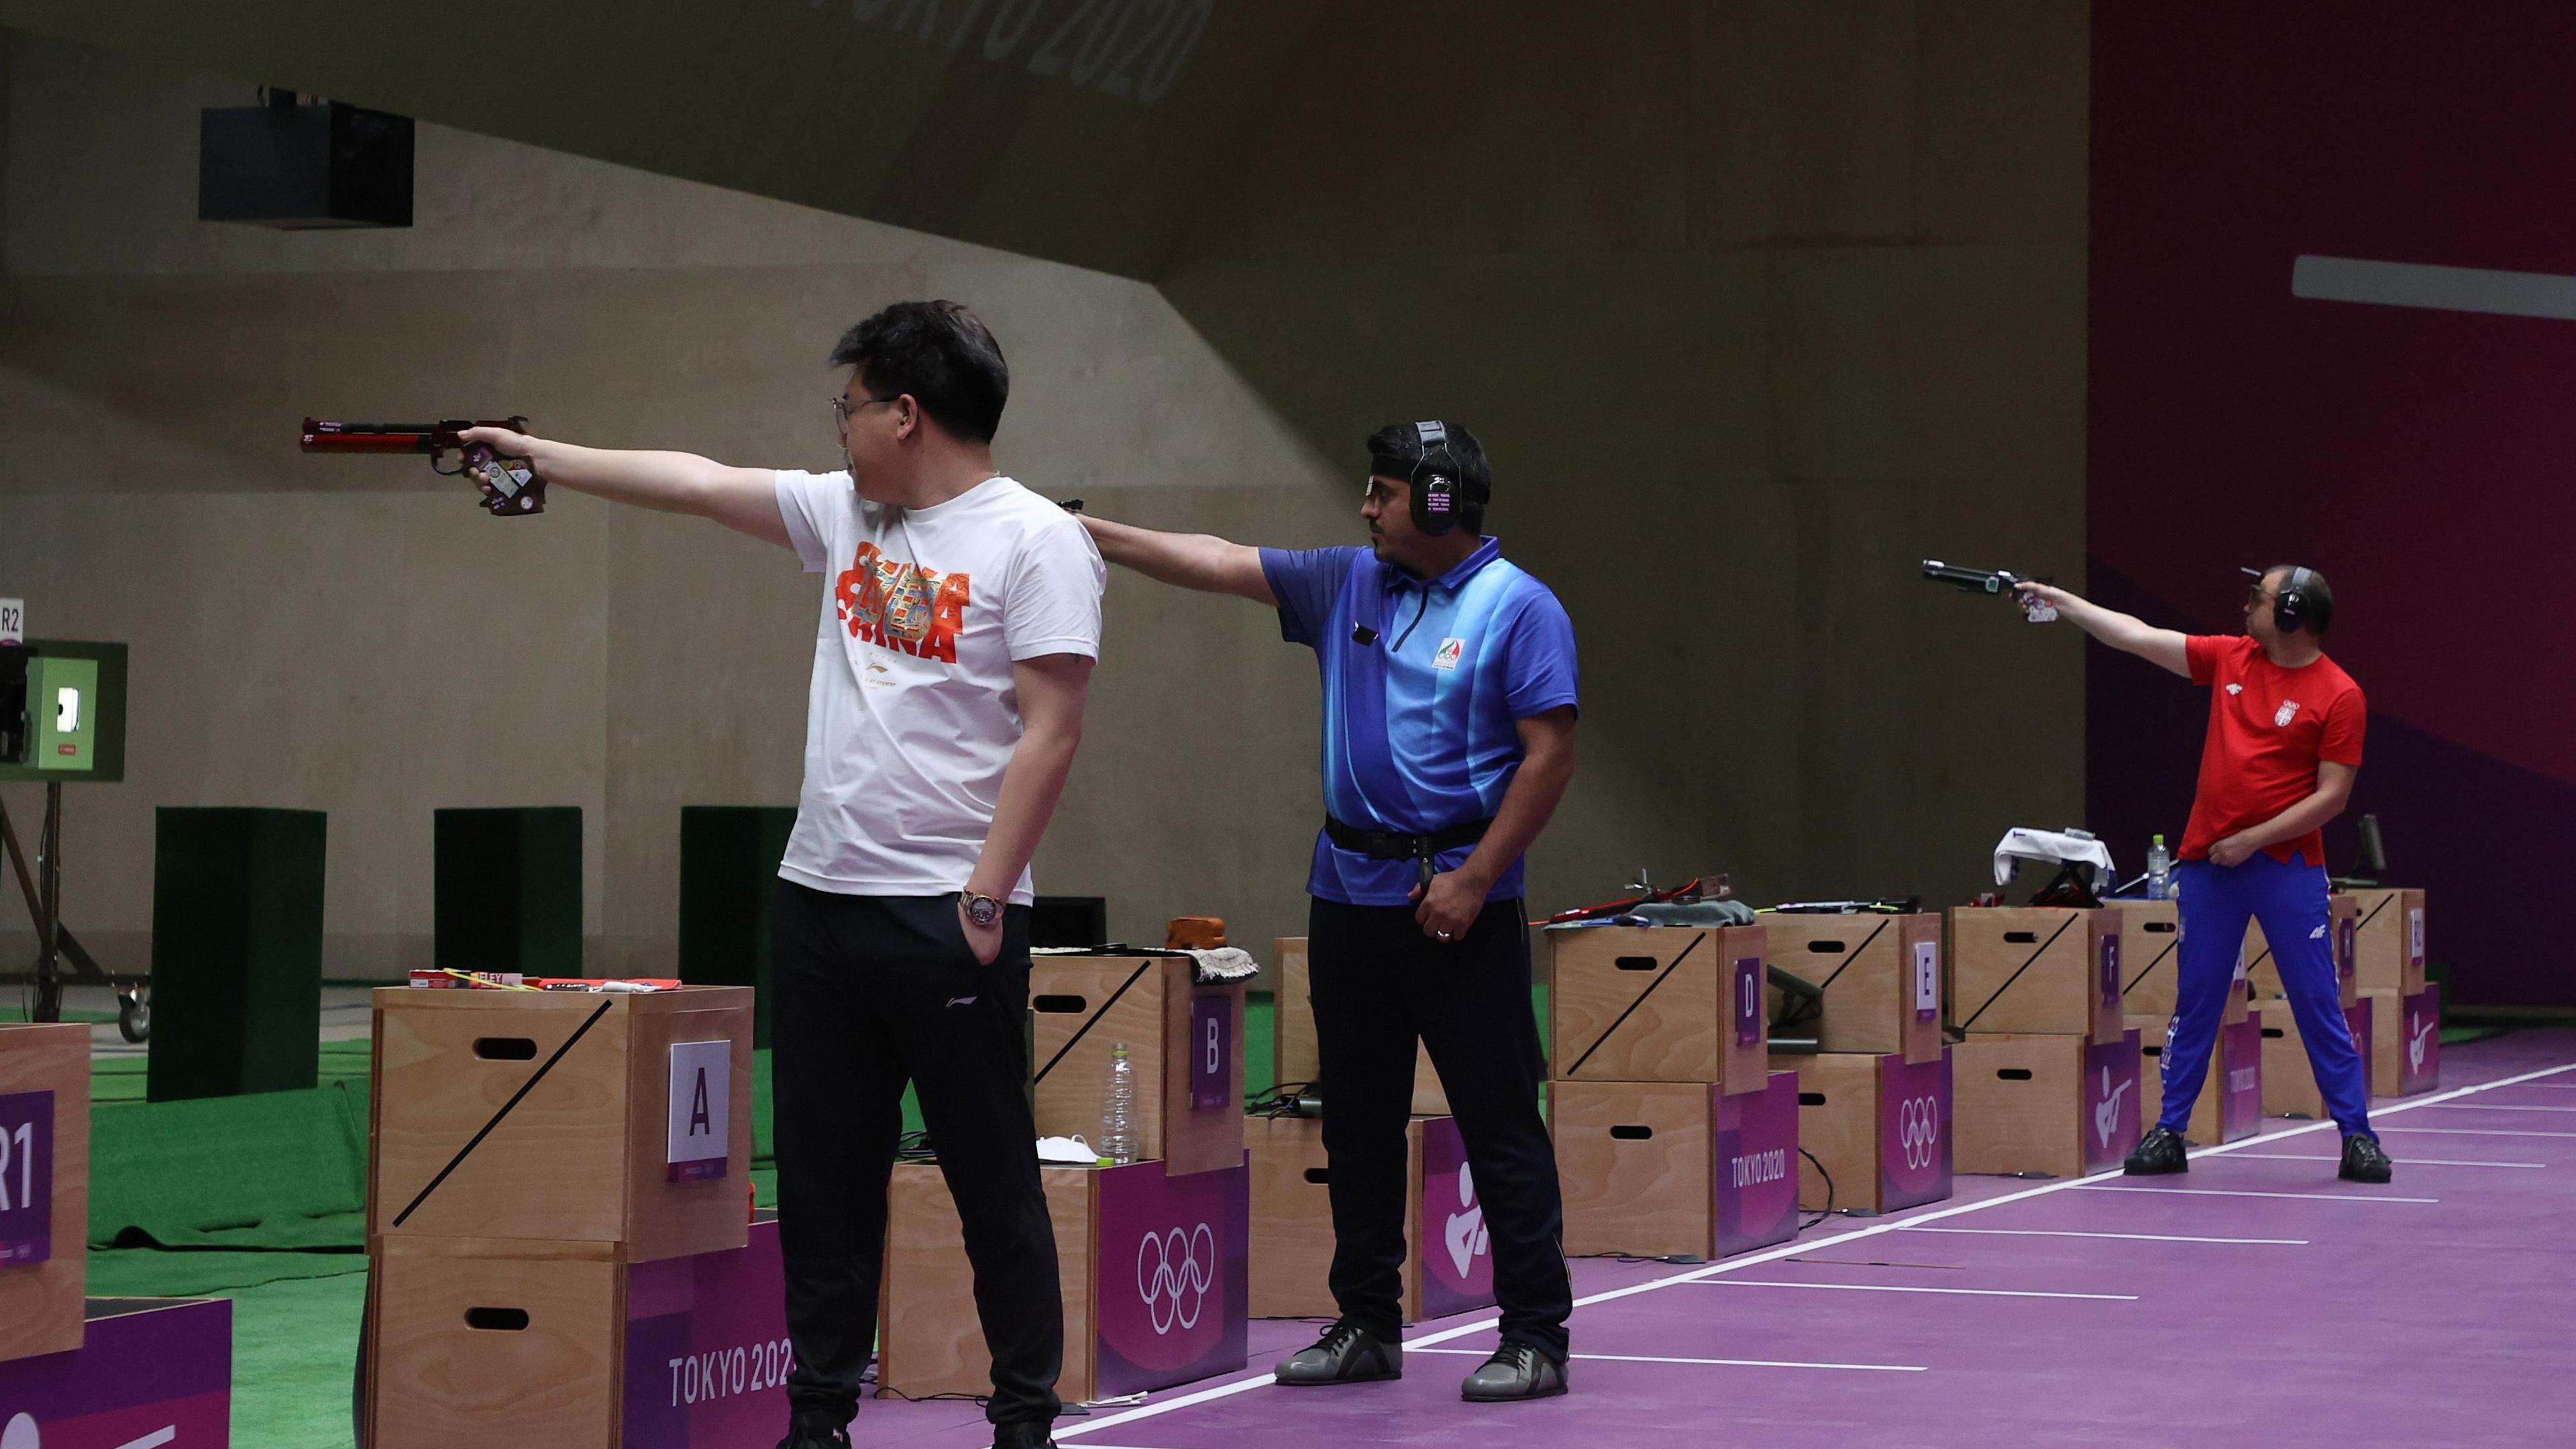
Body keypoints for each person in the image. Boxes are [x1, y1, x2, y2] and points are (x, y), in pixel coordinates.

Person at [459, 301, 1104, 1449]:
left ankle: (1022, 1421)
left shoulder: (1034, 541)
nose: (840, 431)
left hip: (950, 915)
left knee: (990, 1184)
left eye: (850, 408)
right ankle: (816, 1424)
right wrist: (542, 453)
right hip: (820, 905)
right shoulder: (848, 512)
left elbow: (1052, 729)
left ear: (906, 413)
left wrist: (986, 898)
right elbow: (700, 483)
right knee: (822, 1183)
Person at [1075, 421, 1579, 1401]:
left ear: (1437, 501)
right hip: (1347, 898)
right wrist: (1086, 533)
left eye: (1383, 492)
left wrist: (1476, 877)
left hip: (1459, 906)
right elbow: (1217, 561)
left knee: (1498, 1120)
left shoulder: (1521, 607)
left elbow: (1550, 754)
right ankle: (1367, 1323)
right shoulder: (1347, 580)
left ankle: (1536, 1335)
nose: (1365, 507)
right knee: (1353, 1121)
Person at [2016, 566, 2391, 1184]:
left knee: (2317, 1001)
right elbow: (2137, 635)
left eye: (2260, 599)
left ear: (2292, 617)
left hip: (2288, 868)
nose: (2246, 605)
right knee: (2197, 1002)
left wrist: (2253, 840)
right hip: (2212, 866)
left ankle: (2358, 1136)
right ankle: (2170, 1131)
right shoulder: (2231, 659)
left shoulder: (2340, 694)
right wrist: (2064, 603)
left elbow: (2332, 798)